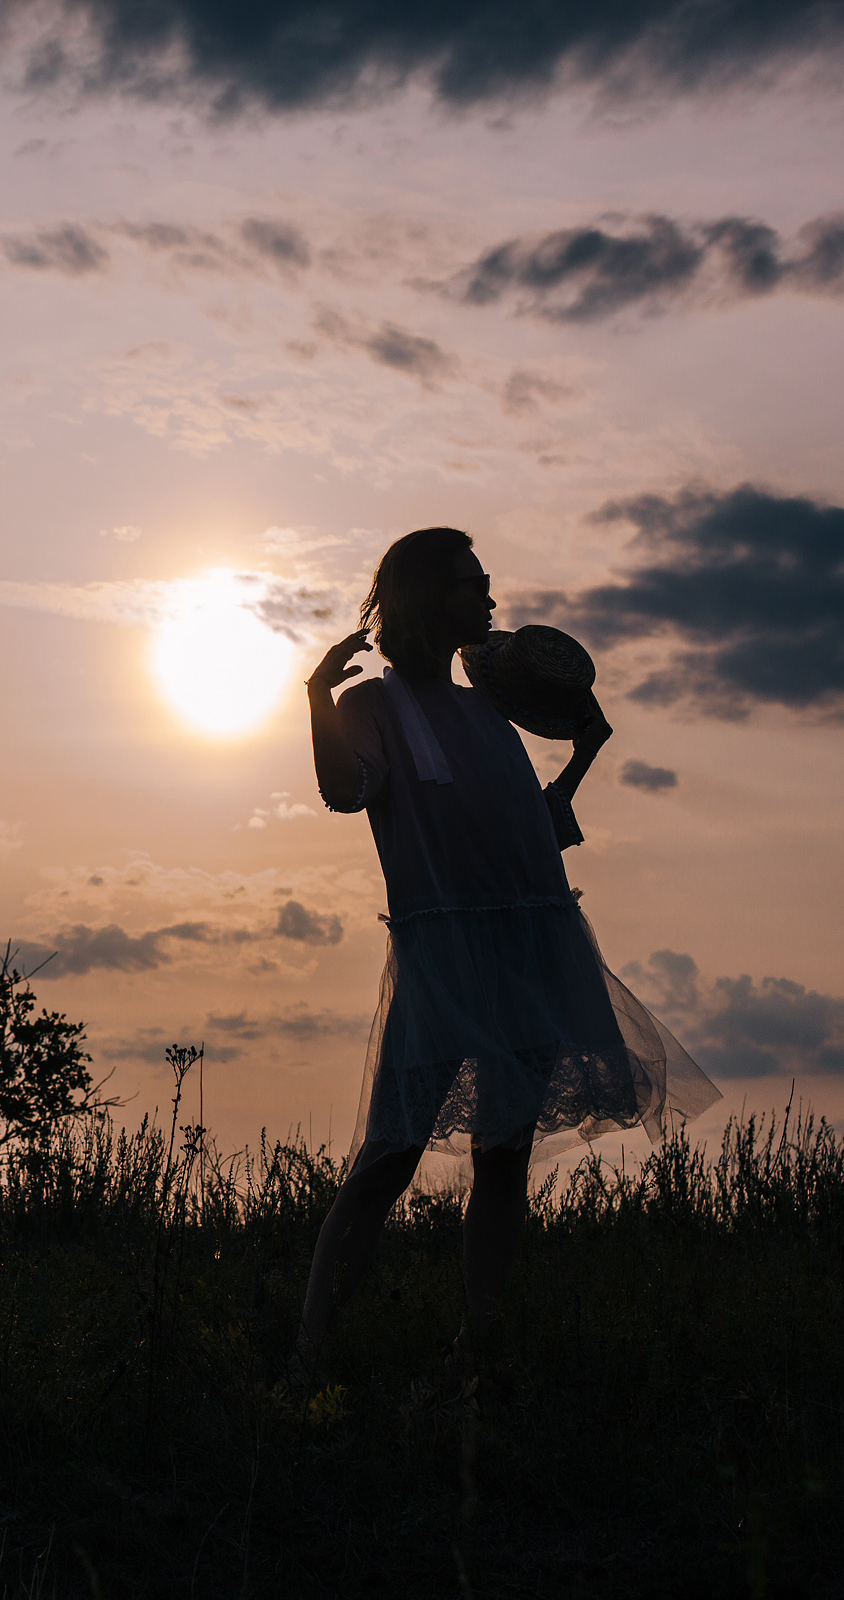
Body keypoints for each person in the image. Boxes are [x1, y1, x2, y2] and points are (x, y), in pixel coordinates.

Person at [292, 526, 719, 1383]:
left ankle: (477, 1349)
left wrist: (579, 762)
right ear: (425, 600)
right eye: (470, 584)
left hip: (532, 939)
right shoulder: (372, 705)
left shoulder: (489, 708)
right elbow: (347, 792)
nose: (489, 598)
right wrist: (313, 701)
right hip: (445, 949)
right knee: (388, 1159)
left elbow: (525, 829)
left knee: (505, 1155)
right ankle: (309, 1360)